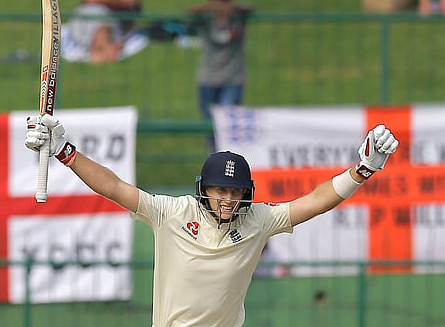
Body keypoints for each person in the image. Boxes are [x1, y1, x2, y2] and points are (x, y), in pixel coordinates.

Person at [25, 113, 398, 326]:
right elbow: (114, 186)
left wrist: (362, 170)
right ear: (205, 189)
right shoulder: (172, 213)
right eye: (221, 191)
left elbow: (314, 201)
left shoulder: (258, 220)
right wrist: (65, 152)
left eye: (235, 193)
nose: (228, 200)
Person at [188, 0, 253, 150]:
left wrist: (230, 8)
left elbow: (249, 8)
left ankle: (227, 159)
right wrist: (209, 7)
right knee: (209, 125)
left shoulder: (238, 16)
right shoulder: (206, 17)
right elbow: (189, 14)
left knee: (228, 124)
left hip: (232, 77)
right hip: (208, 78)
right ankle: (213, 159)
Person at [62, 0, 148, 63]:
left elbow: (135, 16)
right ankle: (98, 51)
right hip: (89, 21)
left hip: (113, 27)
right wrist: (122, 0)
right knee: (103, 25)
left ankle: (99, 52)